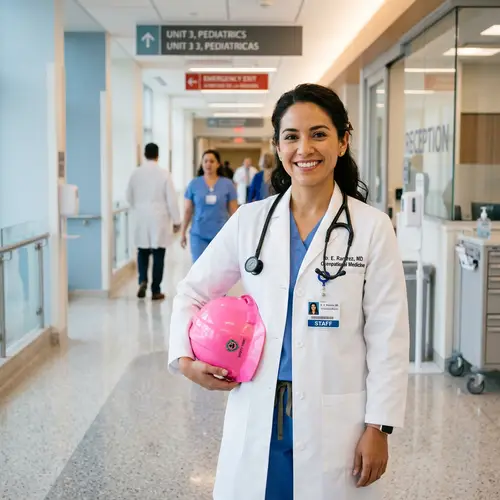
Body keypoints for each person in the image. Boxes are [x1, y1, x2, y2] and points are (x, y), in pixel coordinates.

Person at [169, 84, 409, 500]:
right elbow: (191, 291)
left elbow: (388, 334)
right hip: (258, 406)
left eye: (318, 134)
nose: (304, 148)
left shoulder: (372, 228)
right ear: (277, 146)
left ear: (342, 140)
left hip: (336, 417)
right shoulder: (250, 221)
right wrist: (186, 361)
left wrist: (379, 425)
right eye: (291, 136)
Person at [126, 143, 181, 300]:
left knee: (142, 251)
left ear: (144, 154)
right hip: (159, 218)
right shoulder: (164, 174)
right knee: (158, 254)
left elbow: (128, 197)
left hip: (141, 217)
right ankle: (155, 289)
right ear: (158, 155)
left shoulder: (135, 173)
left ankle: (142, 280)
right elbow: (171, 199)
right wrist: (177, 221)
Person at [181, 149, 238, 263]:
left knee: (219, 271)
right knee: (199, 269)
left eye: (212, 161)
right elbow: (188, 210)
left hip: (221, 234)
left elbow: (234, 211)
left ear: (218, 164)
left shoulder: (227, 184)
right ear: (202, 164)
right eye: (205, 161)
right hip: (198, 234)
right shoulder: (194, 184)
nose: (208, 164)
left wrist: (238, 234)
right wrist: (183, 232)